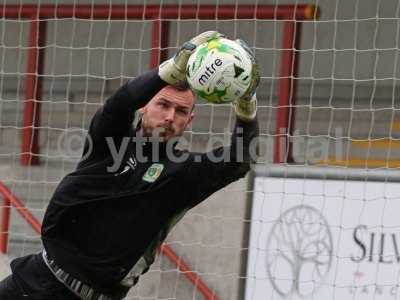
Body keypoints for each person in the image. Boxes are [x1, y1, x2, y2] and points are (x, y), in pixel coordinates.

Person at [0, 31, 259, 300]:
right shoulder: (109, 142)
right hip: (34, 284)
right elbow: (119, 103)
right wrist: (170, 69)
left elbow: (239, 161)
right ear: (144, 106)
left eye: (181, 111)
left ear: (189, 120)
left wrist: (246, 104)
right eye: (163, 105)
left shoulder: (183, 173)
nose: (170, 117)